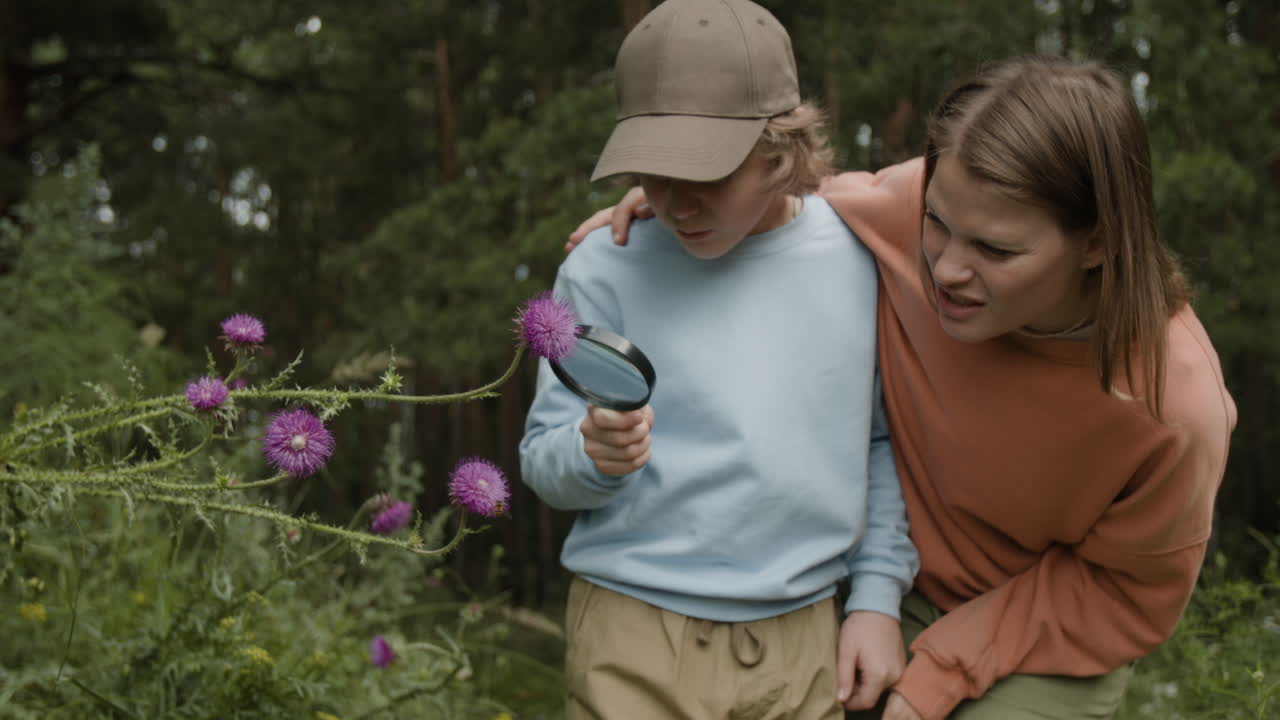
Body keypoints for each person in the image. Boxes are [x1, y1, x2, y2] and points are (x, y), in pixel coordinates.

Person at [566, 55, 1237, 720]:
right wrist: (674, 200)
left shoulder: (1174, 402)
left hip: (1044, 631)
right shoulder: (898, 210)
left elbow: (1122, 592)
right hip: (880, 580)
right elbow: (775, 202)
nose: (946, 269)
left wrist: (939, 674)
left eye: (996, 251)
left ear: (1097, 244)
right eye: (936, 221)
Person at [519, 1, 919, 718]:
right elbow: (543, 460)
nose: (677, 204)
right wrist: (592, 457)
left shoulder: (860, 256)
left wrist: (878, 598)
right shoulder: (603, 269)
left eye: (706, 172)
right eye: (656, 173)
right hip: (630, 629)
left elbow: (881, 444)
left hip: (805, 642)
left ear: (780, 147)